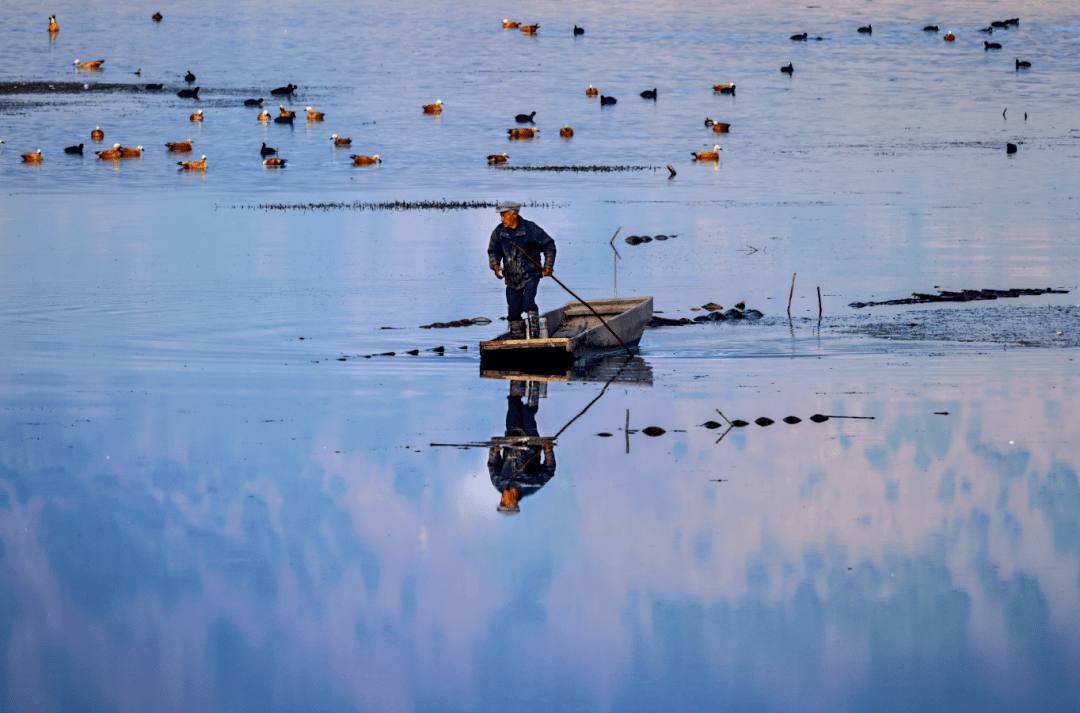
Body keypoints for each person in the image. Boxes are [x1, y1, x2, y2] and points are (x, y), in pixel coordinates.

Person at [487, 201, 556, 340]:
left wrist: (548, 266)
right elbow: (493, 251)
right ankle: (517, 340)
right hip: (511, 277)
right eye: (501, 216)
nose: (502, 219)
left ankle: (535, 337)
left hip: (531, 274)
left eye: (505, 215)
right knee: (513, 311)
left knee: (528, 303)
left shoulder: (530, 228)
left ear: (515, 214)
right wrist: (495, 266)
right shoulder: (499, 232)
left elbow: (549, 245)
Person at [489, 380, 556, 514]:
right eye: (504, 503)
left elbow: (492, 464)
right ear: (513, 503)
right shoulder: (530, 487)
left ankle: (517, 372)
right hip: (531, 441)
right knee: (527, 411)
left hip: (512, 434)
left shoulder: (498, 483)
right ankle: (536, 381)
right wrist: (548, 450)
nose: (502, 499)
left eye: (501, 502)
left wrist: (494, 452)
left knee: (513, 402)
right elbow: (549, 471)